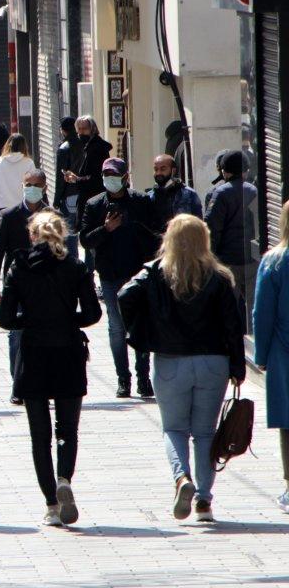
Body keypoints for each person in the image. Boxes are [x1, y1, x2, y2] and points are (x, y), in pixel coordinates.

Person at [118, 215, 246, 523]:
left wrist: (143, 333)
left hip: (171, 360)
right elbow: (233, 326)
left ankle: (181, 479)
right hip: (212, 362)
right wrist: (237, 365)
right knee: (205, 433)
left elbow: (124, 296)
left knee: (174, 429)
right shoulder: (219, 277)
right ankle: (204, 501)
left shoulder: (157, 273)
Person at [0, 211, 101, 526]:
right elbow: (93, 313)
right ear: (62, 235)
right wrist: (69, 320)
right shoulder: (76, 267)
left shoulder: (19, 267)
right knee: (67, 430)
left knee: (39, 434)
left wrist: (28, 321)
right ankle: (64, 478)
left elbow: (3, 319)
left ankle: (51, 505)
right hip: (68, 351)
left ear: (32, 235)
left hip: (34, 354)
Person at [80, 157, 159, 399]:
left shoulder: (140, 202)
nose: (109, 180)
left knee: (139, 325)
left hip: (137, 274)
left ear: (125, 177)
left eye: (114, 175)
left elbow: (155, 235)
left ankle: (143, 378)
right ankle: (123, 379)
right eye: (106, 175)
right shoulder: (94, 205)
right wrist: (106, 229)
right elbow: (85, 239)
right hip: (110, 275)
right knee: (116, 328)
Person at [0, 169, 50, 399]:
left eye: (36, 184)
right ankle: (19, 384)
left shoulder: (51, 216)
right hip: (16, 284)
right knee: (16, 334)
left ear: (44, 187)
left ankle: (39, 380)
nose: (31, 188)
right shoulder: (10, 215)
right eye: (27, 183)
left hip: (45, 285)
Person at [252, 200, 289, 515]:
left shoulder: (274, 262)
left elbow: (262, 313)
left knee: (288, 421)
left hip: (282, 350)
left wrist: (260, 354)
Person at [204, 149, 259, 319]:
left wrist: (210, 258)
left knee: (228, 309)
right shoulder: (254, 190)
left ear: (224, 171)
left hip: (227, 262)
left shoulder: (220, 193)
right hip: (252, 259)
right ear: (246, 170)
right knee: (253, 308)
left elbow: (212, 228)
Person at [63, 115, 112, 218]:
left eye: (84, 129)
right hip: (87, 198)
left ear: (92, 129)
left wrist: (77, 179)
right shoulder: (86, 147)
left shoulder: (97, 148)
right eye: (79, 129)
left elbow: (96, 176)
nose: (81, 132)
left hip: (95, 198)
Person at [53, 117, 84, 260]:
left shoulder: (64, 148)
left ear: (63, 130)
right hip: (84, 193)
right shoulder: (84, 145)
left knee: (70, 233)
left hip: (69, 195)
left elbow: (61, 178)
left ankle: (72, 264)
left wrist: (57, 198)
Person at [0, 133, 36, 214]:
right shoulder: (29, 162)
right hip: (23, 206)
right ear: (24, 146)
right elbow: (33, 185)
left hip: (4, 206)